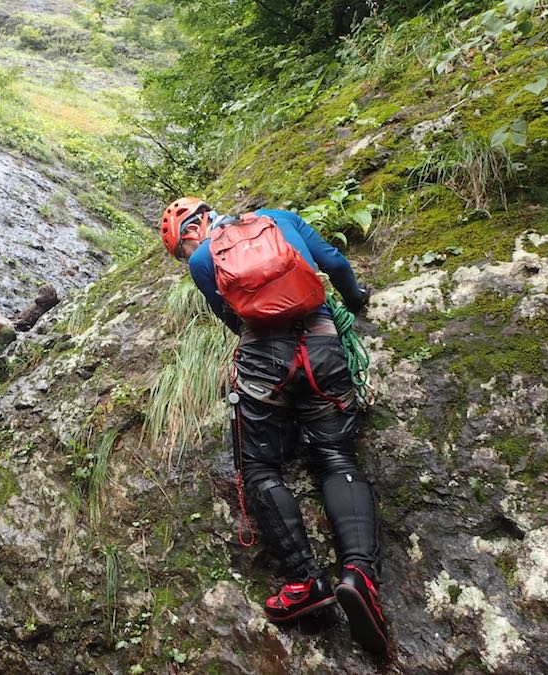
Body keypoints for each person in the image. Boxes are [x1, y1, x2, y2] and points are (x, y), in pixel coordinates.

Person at [160, 197, 388, 655]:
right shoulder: (281, 220)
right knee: (336, 457)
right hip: (323, 348)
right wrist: (355, 300)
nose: (187, 257)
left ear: (191, 232)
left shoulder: (204, 260)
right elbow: (336, 263)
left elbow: (232, 318)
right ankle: (359, 575)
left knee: (261, 468)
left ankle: (306, 581)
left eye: (181, 251)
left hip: (264, 363)